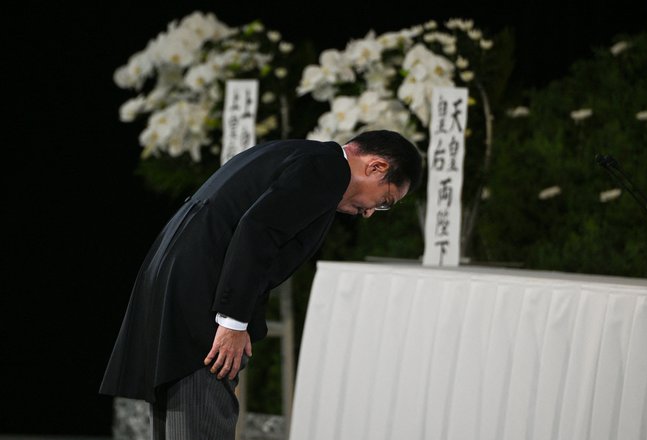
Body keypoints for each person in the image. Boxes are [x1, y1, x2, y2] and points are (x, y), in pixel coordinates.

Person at [99, 129, 423, 439]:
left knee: (180, 421)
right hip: (204, 295)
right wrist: (232, 321)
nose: (370, 213)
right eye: (385, 201)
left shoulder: (294, 152)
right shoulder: (328, 168)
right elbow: (258, 231)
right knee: (201, 419)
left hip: (173, 279)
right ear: (376, 166)